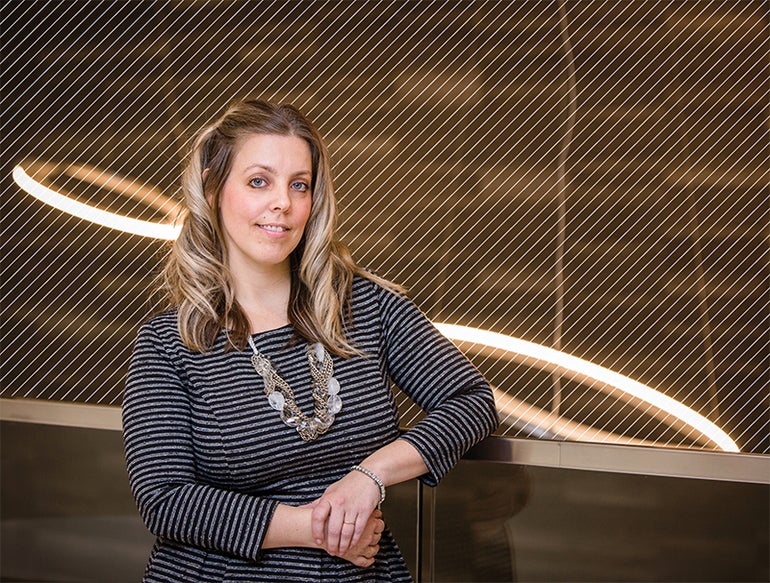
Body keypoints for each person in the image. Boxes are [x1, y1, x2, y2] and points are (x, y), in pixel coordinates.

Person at [122, 98, 499, 582]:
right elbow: (165, 500)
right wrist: (318, 529)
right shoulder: (169, 343)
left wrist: (370, 477)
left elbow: (470, 402)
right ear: (215, 191)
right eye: (259, 181)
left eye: (299, 185)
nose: (283, 202)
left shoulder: (366, 306)